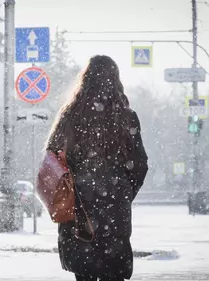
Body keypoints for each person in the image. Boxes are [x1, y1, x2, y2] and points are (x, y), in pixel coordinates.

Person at [45, 55, 148, 281]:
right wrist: (124, 191)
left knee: (85, 268)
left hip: (79, 204)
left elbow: (52, 158)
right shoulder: (126, 117)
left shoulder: (70, 115)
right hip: (114, 206)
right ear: (116, 81)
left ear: (85, 79)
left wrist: (69, 188)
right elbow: (140, 164)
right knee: (113, 270)